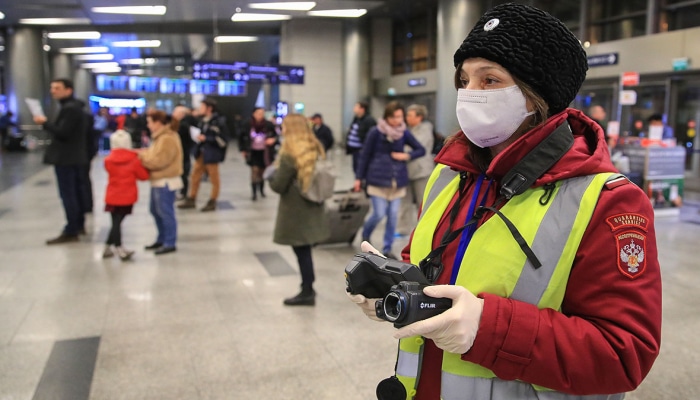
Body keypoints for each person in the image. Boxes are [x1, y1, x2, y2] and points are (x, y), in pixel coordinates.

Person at [348, 3, 661, 399]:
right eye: (464, 80)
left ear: (536, 97)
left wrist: (487, 327)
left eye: (490, 80)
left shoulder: (607, 202)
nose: (469, 94)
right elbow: (429, 265)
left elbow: (624, 354)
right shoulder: (449, 175)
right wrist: (397, 288)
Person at [268, 114, 330, 306]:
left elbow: (279, 185)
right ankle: (308, 287)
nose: (282, 130)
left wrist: (270, 176)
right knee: (305, 251)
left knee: (301, 252)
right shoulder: (315, 148)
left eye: (284, 126)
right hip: (313, 208)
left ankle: (307, 290)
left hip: (296, 212)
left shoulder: (289, 154)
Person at [353, 101, 425, 259]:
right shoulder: (376, 132)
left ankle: (387, 248)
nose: (398, 120)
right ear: (387, 116)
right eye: (394, 117)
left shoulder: (403, 132)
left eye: (400, 117)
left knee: (392, 215)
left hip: (397, 181)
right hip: (377, 179)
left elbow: (421, 149)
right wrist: (359, 178)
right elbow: (365, 155)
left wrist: (406, 156)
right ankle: (366, 235)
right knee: (378, 214)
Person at [33, 78, 89, 244]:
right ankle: (78, 224)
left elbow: (63, 132)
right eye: (52, 88)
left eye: (57, 88)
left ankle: (72, 228)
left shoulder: (70, 109)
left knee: (68, 194)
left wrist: (44, 124)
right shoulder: (74, 108)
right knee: (76, 192)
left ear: (68, 90)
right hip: (75, 156)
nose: (53, 91)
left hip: (66, 158)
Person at [138, 109, 183, 255]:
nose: (148, 125)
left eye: (150, 122)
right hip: (158, 181)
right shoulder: (159, 137)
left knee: (165, 212)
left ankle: (170, 242)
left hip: (166, 181)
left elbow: (159, 160)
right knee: (155, 211)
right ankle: (162, 238)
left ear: (158, 123)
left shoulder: (167, 138)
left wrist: (142, 159)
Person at [102, 130, 149, 260]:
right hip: (127, 196)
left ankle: (108, 247)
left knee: (115, 222)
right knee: (117, 223)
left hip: (112, 195)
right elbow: (143, 176)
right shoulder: (134, 160)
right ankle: (119, 248)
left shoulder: (108, 161)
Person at [178, 99, 229, 212]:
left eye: (202, 107)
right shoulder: (202, 121)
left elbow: (223, 140)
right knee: (195, 175)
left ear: (209, 108)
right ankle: (192, 198)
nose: (200, 109)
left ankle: (213, 200)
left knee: (214, 178)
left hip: (212, 153)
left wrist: (207, 138)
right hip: (201, 152)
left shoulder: (218, 122)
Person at [397, 104, 435, 235]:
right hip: (405, 171)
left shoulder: (425, 129)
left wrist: (401, 152)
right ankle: (403, 229)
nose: (406, 118)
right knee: (404, 202)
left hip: (421, 171)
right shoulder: (406, 129)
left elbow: (418, 148)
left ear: (419, 117)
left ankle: (424, 229)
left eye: (410, 115)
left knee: (422, 202)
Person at [239, 107, 277, 201]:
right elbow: (241, 137)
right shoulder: (248, 124)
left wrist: (273, 140)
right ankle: (254, 193)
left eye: (262, 113)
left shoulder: (268, 125)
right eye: (258, 113)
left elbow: (276, 135)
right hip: (253, 152)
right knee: (254, 171)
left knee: (262, 172)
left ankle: (261, 190)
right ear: (254, 114)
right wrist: (243, 149)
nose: (260, 115)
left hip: (265, 152)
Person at [171, 105, 197, 200]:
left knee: (183, 173)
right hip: (180, 152)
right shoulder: (177, 124)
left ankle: (183, 192)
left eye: (175, 112)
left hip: (184, 152)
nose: (173, 114)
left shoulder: (183, 125)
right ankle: (180, 191)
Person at [345, 101, 376, 174]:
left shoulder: (369, 120)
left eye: (356, 107)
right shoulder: (356, 118)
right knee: (355, 168)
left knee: (362, 168)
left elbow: (371, 136)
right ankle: (357, 183)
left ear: (362, 109)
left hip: (361, 150)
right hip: (354, 150)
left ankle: (363, 184)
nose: (354, 108)